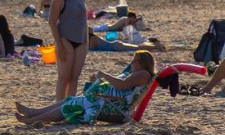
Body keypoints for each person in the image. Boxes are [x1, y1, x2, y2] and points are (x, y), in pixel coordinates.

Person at [14, 51, 155, 125]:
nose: (132, 63)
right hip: (109, 103)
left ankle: (33, 120)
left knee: (71, 104)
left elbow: (121, 85)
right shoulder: (140, 74)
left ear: (143, 63)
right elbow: (121, 86)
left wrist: (105, 75)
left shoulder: (142, 74)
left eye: (134, 60)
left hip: (114, 109)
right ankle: (33, 113)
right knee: (70, 100)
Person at [49, 0, 91, 101]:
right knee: (64, 77)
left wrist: (87, 43)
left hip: (82, 40)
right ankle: (58, 107)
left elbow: (84, 21)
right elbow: (52, 22)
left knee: (74, 78)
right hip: (66, 39)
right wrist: (59, 45)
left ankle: (68, 107)